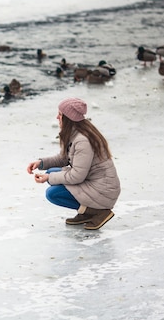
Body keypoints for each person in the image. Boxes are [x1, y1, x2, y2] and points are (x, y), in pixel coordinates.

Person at [26, 98, 120, 230]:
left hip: (103, 191)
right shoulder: (74, 133)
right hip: (94, 183)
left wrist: (49, 178)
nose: (57, 117)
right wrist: (41, 163)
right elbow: (64, 158)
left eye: (60, 114)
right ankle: (87, 212)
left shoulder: (83, 141)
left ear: (68, 118)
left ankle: (97, 211)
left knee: (52, 193)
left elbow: (77, 176)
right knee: (50, 172)